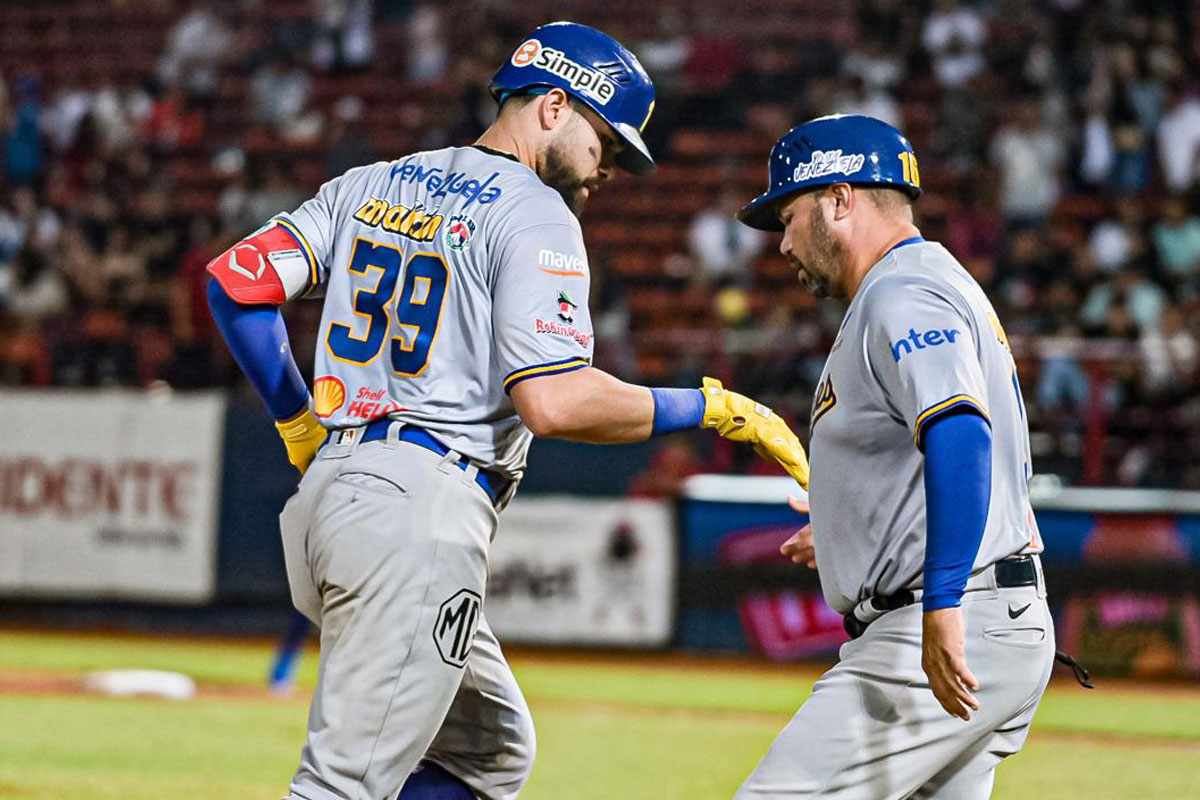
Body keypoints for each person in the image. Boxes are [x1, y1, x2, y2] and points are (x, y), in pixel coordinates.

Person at [205, 22, 808, 800]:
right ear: (554, 106)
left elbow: (238, 285)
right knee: (340, 787)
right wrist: (711, 406)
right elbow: (553, 400)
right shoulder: (535, 212)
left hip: (332, 501)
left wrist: (295, 421)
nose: (608, 169)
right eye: (606, 143)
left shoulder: (371, 182)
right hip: (419, 512)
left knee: (489, 751)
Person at [733, 114, 1072, 799]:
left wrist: (943, 602)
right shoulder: (920, 284)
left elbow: (960, 434)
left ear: (839, 200)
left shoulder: (901, 292)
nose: (783, 244)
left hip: (953, 613)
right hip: (986, 608)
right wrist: (845, 527)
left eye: (790, 215)